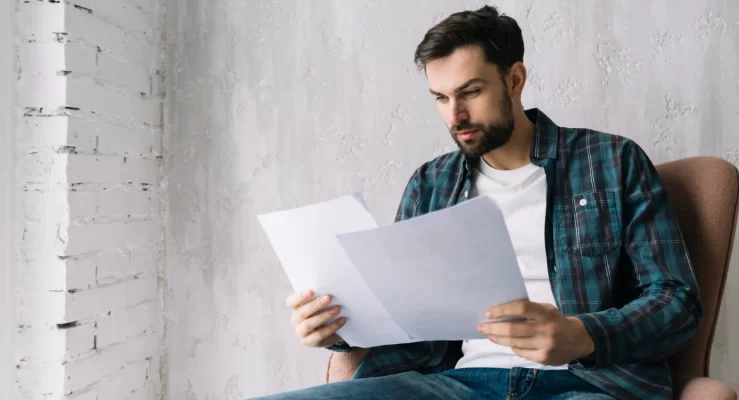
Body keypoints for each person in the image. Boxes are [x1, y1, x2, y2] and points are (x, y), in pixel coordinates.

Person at [252, 5, 702, 400]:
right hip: (458, 384)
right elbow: (403, 314)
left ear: (515, 80)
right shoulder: (431, 183)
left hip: (588, 384)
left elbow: (677, 302)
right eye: (441, 98)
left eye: (470, 93)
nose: (455, 116)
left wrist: (582, 334)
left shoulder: (612, 161)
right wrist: (338, 327)